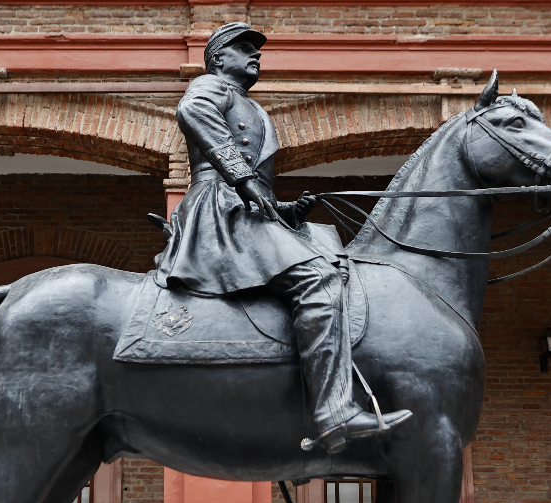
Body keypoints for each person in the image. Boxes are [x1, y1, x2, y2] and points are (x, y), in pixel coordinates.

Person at [153, 22, 411, 453]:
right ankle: (334, 413)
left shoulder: (250, 106)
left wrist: (281, 208)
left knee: (331, 266)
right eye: (244, 49)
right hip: (218, 209)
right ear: (219, 59)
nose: (256, 55)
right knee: (319, 280)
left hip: (242, 208)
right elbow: (191, 113)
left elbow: (254, 183)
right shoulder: (209, 86)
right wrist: (243, 179)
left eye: (257, 49)